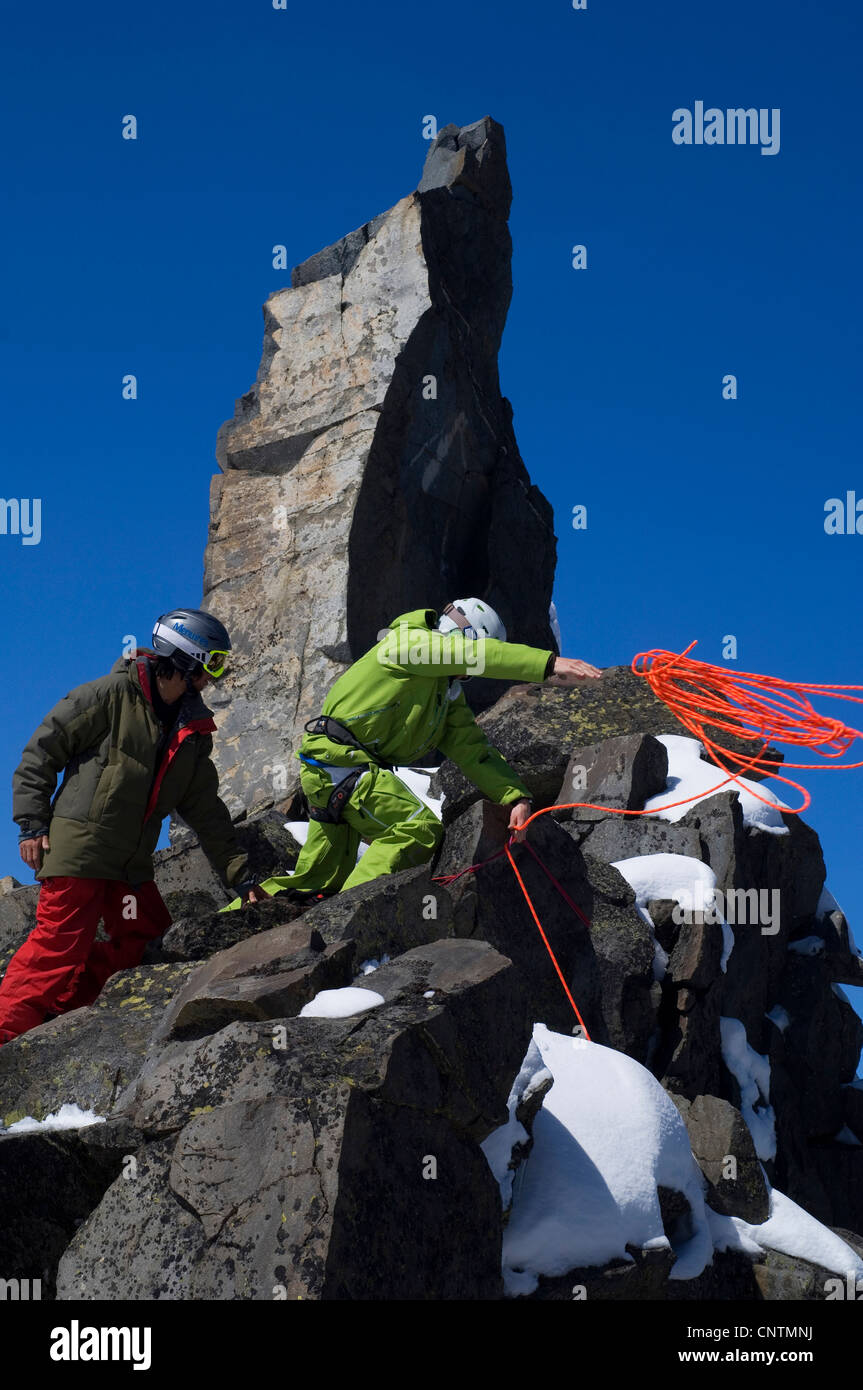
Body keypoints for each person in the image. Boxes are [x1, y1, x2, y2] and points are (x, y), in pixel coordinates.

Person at [229, 600, 601, 909]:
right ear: (465, 639)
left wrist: (515, 796)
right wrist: (548, 664)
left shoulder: (444, 698)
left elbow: (474, 751)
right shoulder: (405, 646)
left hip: (334, 769)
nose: (463, 677)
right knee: (417, 829)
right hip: (341, 764)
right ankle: (343, 917)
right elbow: (470, 655)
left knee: (317, 878)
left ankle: (237, 921)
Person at [0, 608, 262, 1045]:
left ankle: (59, 1019)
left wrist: (241, 877)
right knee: (57, 950)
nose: (216, 676)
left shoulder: (192, 731)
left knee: (143, 939)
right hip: (79, 856)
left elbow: (207, 812)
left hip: (128, 870)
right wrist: (31, 824)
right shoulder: (108, 695)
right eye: (213, 663)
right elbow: (40, 754)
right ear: (186, 657)